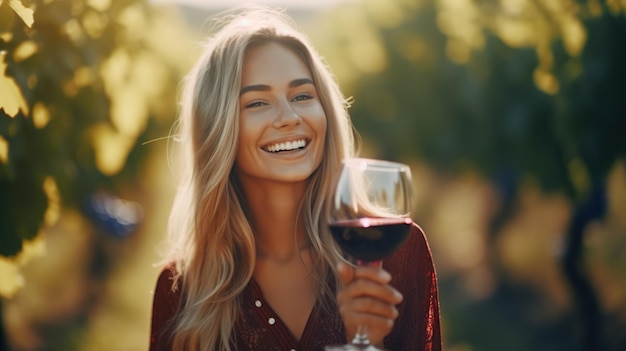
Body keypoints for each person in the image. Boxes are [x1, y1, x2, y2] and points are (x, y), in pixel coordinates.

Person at [149, 5, 441, 351]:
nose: (289, 117)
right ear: (218, 128)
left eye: (302, 96)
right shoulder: (181, 289)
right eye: (257, 103)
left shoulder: (397, 254)